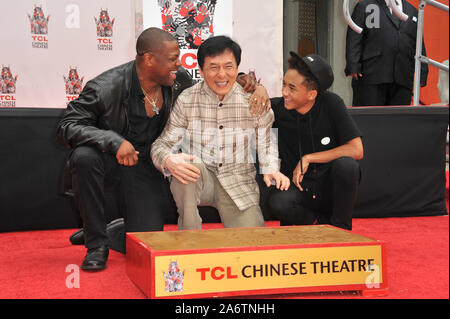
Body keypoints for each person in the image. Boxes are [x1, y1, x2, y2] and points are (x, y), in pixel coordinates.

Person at [56, 28, 269, 271]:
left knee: (146, 245)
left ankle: (114, 229)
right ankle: (96, 244)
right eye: (172, 58)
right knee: (83, 157)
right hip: (109, 160)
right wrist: (114, 141)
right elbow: (66, 126)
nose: (179, 63)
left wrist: (247, 83)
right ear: (149, 60)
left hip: (149, 166)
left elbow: (214, 83)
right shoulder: (105, 87)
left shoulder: (177, 80)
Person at [151, 35, 289, 230]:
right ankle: (189, 236)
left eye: (228, 66)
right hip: (201, 178)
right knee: (188, 166)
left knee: (253, 247)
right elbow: (161, 145)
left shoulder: (253, 100)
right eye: (213, 67)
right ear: (201, 70)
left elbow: (266, 141)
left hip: (238, 184)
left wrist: (271, 168)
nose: (222, 75)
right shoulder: (187, 99)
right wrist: (167, 159)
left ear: (237, 67)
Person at [267, 52, 363, 230]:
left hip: (328, 187)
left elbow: (357, 150)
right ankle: (317, 226)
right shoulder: (277, 109)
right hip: (297, 190)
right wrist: (254, 87)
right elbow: (248, 100)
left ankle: (341, 231)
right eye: (284, 85)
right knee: (279, 201)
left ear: (311, 94)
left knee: (348, 166)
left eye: (292, 88)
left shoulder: (332, 103)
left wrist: (309, 158)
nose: (284, 92)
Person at [345, 0, 429, 106]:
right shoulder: (366, 6)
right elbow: (354, 36)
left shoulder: (413, 11)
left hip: (403, 76)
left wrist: (422, 72)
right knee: (370, 119)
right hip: (372, 74)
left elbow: (418, 42)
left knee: (398, 120)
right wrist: (353, 64)